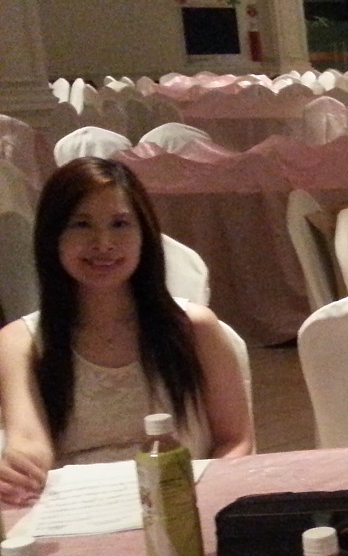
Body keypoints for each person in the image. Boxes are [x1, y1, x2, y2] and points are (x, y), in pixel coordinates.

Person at [0, 157, 253, 505]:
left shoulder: (194, 329)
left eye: (120, 224)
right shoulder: (20, 342)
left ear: (144, 236)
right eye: (81, 224)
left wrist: (192, 502)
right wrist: (19, 468)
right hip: (77, 511)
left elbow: (236, 440)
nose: (103, 243)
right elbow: (29, 443)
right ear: (53, 236)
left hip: (184, 506)